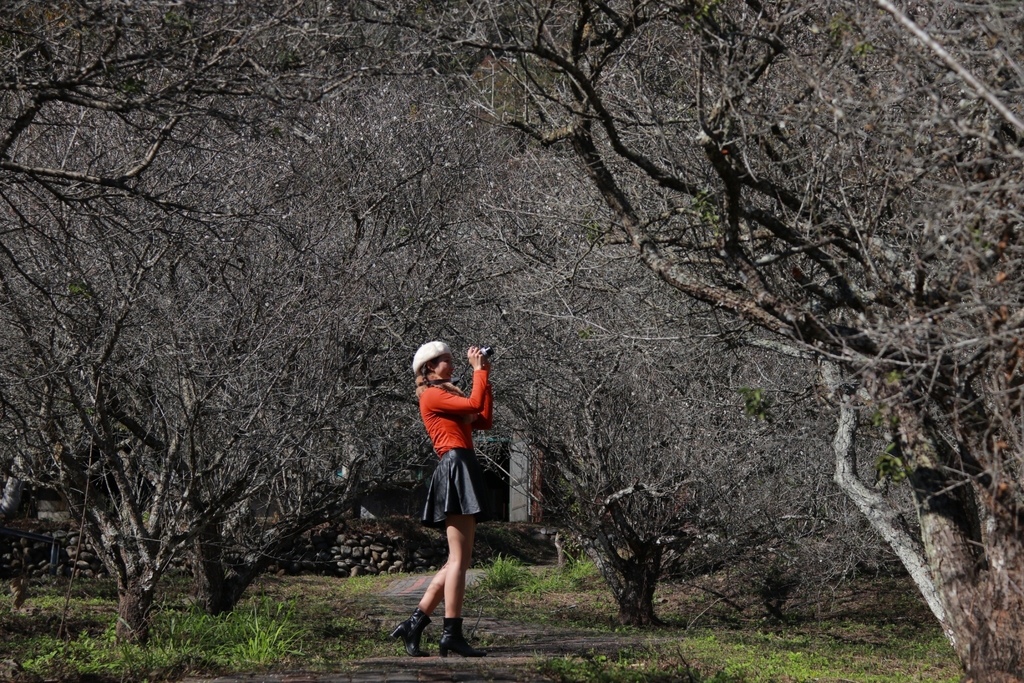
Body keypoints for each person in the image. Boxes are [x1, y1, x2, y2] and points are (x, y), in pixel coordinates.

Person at [390, 341, 493, 658]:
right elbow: (475, 403)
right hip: (455, 466)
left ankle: (415, 623)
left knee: (455, 562)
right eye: (445, 359)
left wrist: (484, 373)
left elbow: (484, 419)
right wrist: (478, 373)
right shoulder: (434, 395)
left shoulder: (449, 395)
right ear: (428, 368)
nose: (452, 363)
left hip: (464, 464)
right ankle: (451, 634)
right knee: (459, 562)